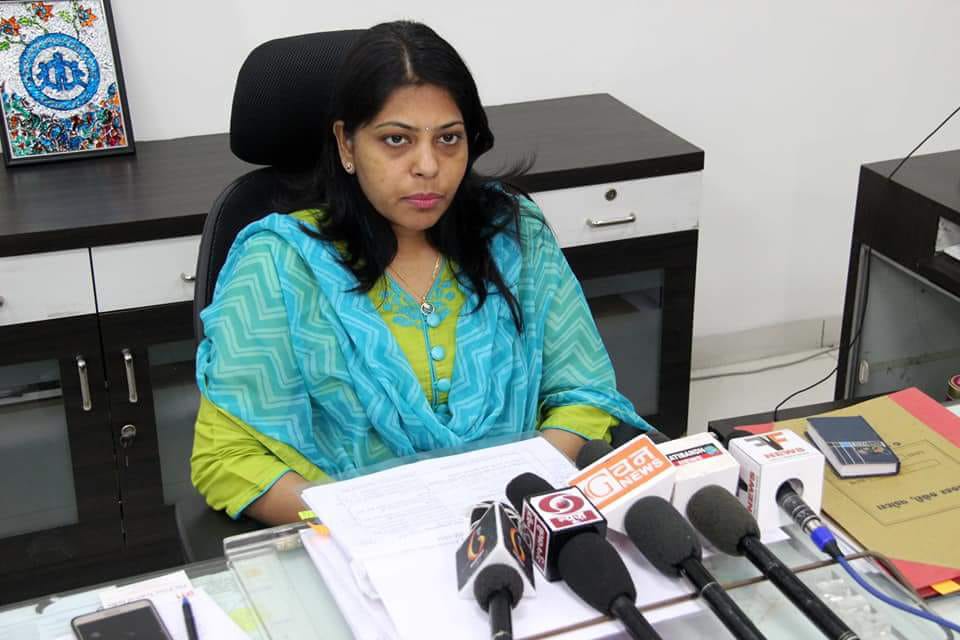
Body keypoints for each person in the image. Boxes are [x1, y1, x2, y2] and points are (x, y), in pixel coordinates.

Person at [191, 20, 655, 525]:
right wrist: (368, 521)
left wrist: (525, 501)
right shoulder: (280, 263)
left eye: (449, 138)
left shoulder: (512, 234)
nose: (428, 166)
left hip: (521, 522)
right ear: (346, 144)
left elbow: (583, 394)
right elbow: (229, 458)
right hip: (363, 540)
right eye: (396, 140)